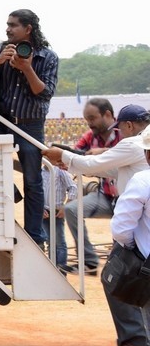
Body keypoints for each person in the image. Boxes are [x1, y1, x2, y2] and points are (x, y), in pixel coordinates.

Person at [0, 10, 59, 246]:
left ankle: (35, 236)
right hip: (1, 122)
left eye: (13, 25)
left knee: (33, 180)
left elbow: (43, 92)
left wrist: (26, 67)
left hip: (30, 125)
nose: (8, 29)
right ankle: (9, 192)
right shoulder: (1, 49)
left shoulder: (47, 57)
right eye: (7, 24)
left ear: (28, 29)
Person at [43, 104, 150, 273]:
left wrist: (63, 156)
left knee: (124, 275)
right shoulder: (141, 145)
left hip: (134, 211)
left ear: (129, 125)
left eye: (120, 129)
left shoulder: (132, 143)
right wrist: (73, 164)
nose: (120, 134)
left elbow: (94, 164)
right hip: (129, 204)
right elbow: (112, 169)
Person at [101, 126, 150, 346]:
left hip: (146, 263)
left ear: (147, 155)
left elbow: (120, 228)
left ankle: (135, 339)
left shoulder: (142, 180)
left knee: (114, 276)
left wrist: (130, 249)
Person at [62, 98, 122, 272]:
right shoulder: (90, 137)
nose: (89, 123)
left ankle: (122, 266)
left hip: (127, 196)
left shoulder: (124, 134)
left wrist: (102, 152)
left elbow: (132, 151)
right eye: (87, 119)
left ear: (108, 114)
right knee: (72, 210)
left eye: (93, 118)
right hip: (106, 195)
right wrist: (63, 158)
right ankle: (89, 261)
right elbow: (73, 154)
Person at [43, 165, 77, 271]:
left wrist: (66, 207)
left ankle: (61, 271)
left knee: (59, 243)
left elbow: (73, 188)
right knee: (49, 242)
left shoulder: (60, 171)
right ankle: (53, 270)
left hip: (57, 212)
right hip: (44, 212)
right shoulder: (40, 171)